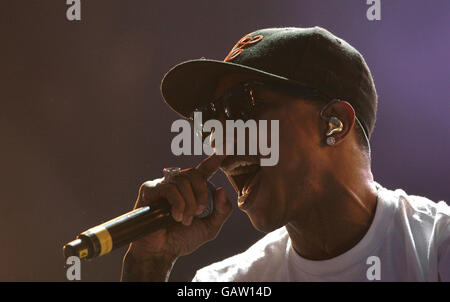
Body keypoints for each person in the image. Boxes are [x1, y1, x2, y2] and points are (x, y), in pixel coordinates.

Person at [120, 27, 449, 281]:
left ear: (334, 123)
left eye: (240, 108)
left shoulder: (437, 250)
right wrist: (150, 263)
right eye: (209, 123)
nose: (221, 142)